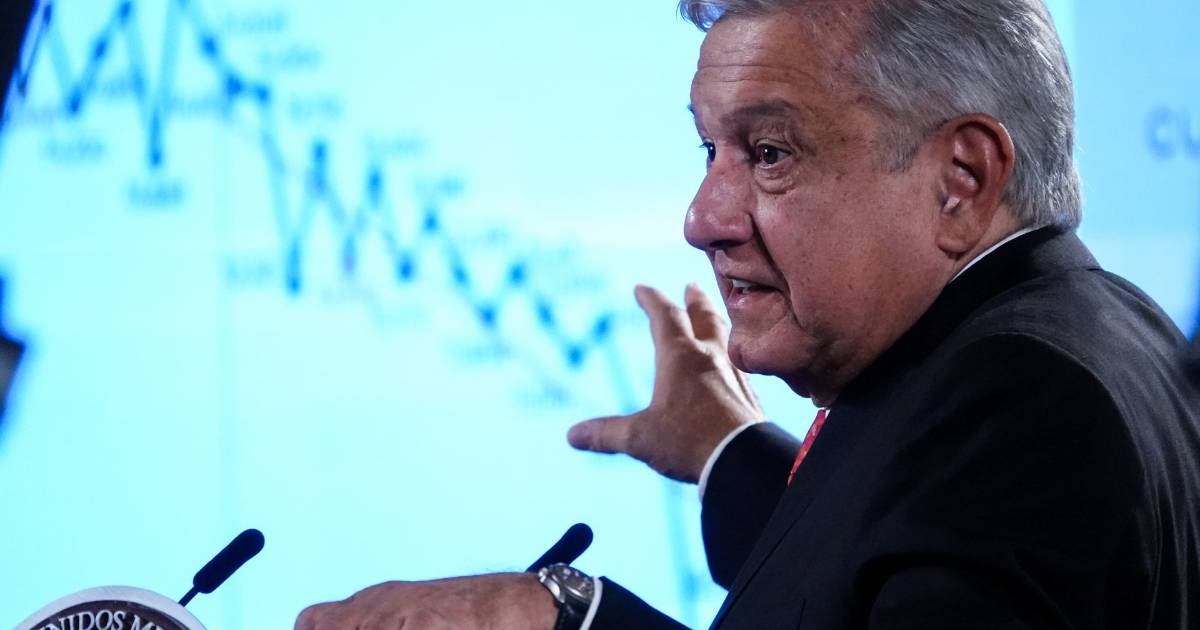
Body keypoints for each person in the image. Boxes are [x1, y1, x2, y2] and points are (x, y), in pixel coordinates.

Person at [295, 0, 1200, 628]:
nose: (703, 219)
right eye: (709, 150)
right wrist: (729, 453)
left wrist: (567, 619)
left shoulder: (1022, 411)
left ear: (961, 180)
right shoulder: (1078, 324)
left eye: (769, 153)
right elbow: (887, 566)